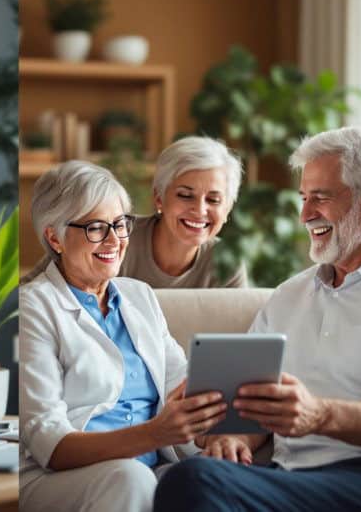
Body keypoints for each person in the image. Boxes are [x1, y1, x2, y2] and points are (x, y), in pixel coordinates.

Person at [153, 127, 361, 512]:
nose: (305, 214)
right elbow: (249, 408)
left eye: (321, 198)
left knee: (193, 481)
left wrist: (319, 414)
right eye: (304, 198)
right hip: (295, 475)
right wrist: (234, 439)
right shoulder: (289, 296)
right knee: (185, 474)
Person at [20, 160, 228, 512]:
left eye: (120, 224)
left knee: (210, 479)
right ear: (54, 237)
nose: (115, 240)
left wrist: (222, 433)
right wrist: (154, 434)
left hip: (151, 468)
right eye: (97, 228)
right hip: (58, 477)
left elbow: (182, 384)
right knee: (131, 478)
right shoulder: (33, 307)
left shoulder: (139, 296)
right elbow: (49, 444)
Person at [119, 136, 248, 288]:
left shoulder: (228, 263)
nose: (200, 210)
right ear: (159, 197)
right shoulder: (118, 239)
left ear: (227, 209)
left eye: (213, 200)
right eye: (185, 195)